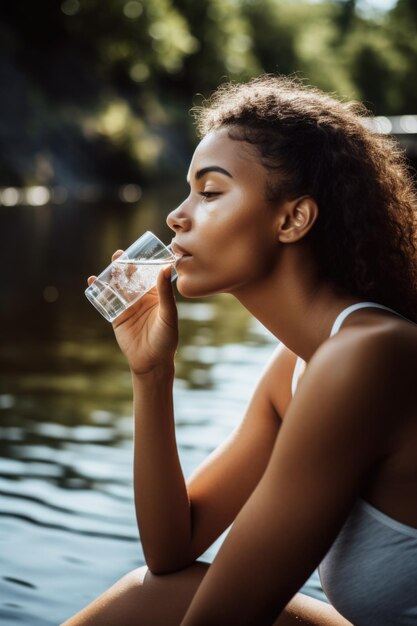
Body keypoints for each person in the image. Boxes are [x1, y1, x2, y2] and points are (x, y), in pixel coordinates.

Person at [62, 75, 417, 626]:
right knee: (151, 593)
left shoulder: (367, 357)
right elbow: (170, 552)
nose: (177, 217)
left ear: (292, 219)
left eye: (209, 192)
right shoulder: (297, 371)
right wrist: (151, 374)